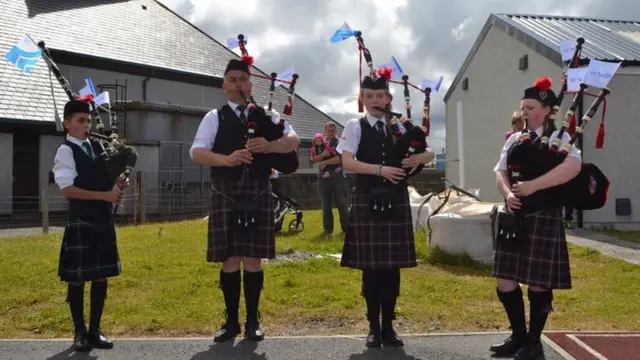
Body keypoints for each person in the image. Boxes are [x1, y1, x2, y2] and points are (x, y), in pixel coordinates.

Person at [189, 57, 300, 343]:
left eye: (243, 80)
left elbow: (294, 141)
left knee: (252, 259)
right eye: (233, 80)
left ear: (251, 84)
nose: (238, 84)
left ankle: (253, 320)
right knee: (229, 260)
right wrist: (226, 159)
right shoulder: (214, 117)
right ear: (224, 86)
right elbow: (197, 152)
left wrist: (270, 145)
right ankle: (231, 321)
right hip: (226, 191)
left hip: (258, 191)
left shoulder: (267, 116)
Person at [336, 69, 435, 348]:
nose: (375, 100)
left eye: (380, 95)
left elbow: (429, 153)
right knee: (371, 267)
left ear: (388, 97)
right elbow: (346, 162)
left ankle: (389, 326)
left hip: (395, 200)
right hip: (368, 198)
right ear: (362, 99)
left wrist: (420, 157)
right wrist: (379, 169)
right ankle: (372, 327)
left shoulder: (402, 126)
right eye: (369, 96)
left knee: (391, 268)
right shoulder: (355, 126)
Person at [491, 77, 582, 359]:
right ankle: (517, 335)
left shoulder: (561, 138)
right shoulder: (516, 138)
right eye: (523, 107)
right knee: (504, 280)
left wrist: (534, 186)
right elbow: (500, 170)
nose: (524, 112)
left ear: (546, 109)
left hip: (543, 214)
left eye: (530, 107)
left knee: (539, 282)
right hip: (514, 215)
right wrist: (507, 193)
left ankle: (534, 340)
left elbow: (574, 167)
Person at [52, 97, 128, 352]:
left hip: (102, 218)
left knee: (101, 275)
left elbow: (107, 177)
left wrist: (117, 184)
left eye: (88, 121)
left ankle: (95, 330)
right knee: (78, 279)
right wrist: (104, 196)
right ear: (67, 124)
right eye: (80, 121)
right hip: (82, 219)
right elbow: (69, 190)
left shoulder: (96, 146)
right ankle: (79, 333)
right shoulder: (66, 150)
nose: (86, 126)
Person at [309, 123, 350, 234]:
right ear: (325, 131)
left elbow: (340, 158)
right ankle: (328, 230)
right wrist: (323, 156)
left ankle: (346, 229)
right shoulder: (320, 143)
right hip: (323, 178)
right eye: (329, 130)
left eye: (333, 130)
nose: (332, 132)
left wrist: (325, 162)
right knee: (326, 205)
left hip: (338, 177)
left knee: (342, 203)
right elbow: (313, 159)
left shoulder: (340, 142)